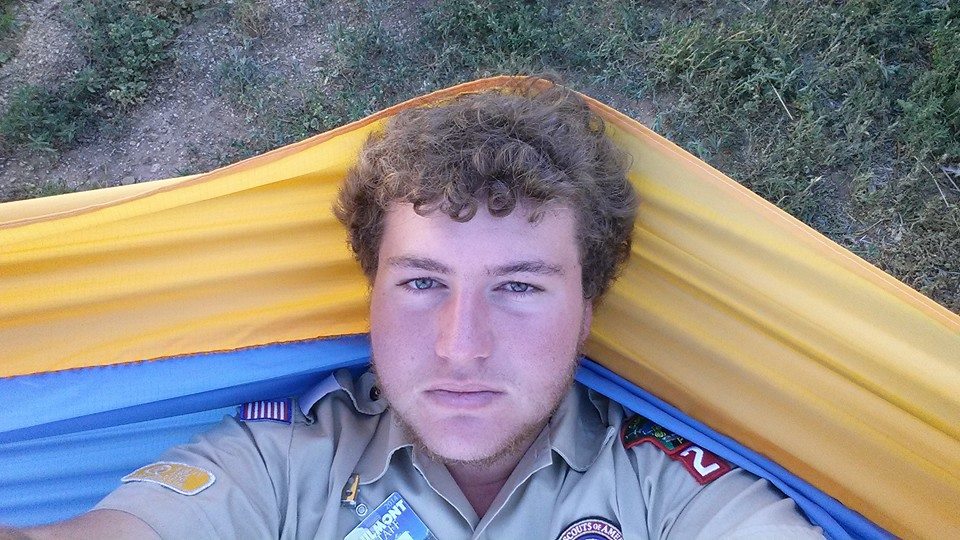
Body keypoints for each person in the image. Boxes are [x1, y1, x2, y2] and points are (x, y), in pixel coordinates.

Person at [3, 79, 823, 539]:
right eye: (422, 282)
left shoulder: (671, 487)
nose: (459, 346)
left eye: (521, 286)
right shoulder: (283, 462)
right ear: (371, 293)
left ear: (589, 309)